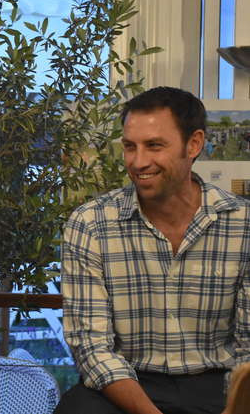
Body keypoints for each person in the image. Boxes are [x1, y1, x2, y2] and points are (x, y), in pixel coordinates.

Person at [56, 86, 250, 414]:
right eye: (130, 147)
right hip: (127, 382)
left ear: (194, 144)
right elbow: (92, 348)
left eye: (154, 146)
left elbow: (248, 349)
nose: (138, 161)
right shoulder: (90, 223)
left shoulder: (242, 223)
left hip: (217, 383)